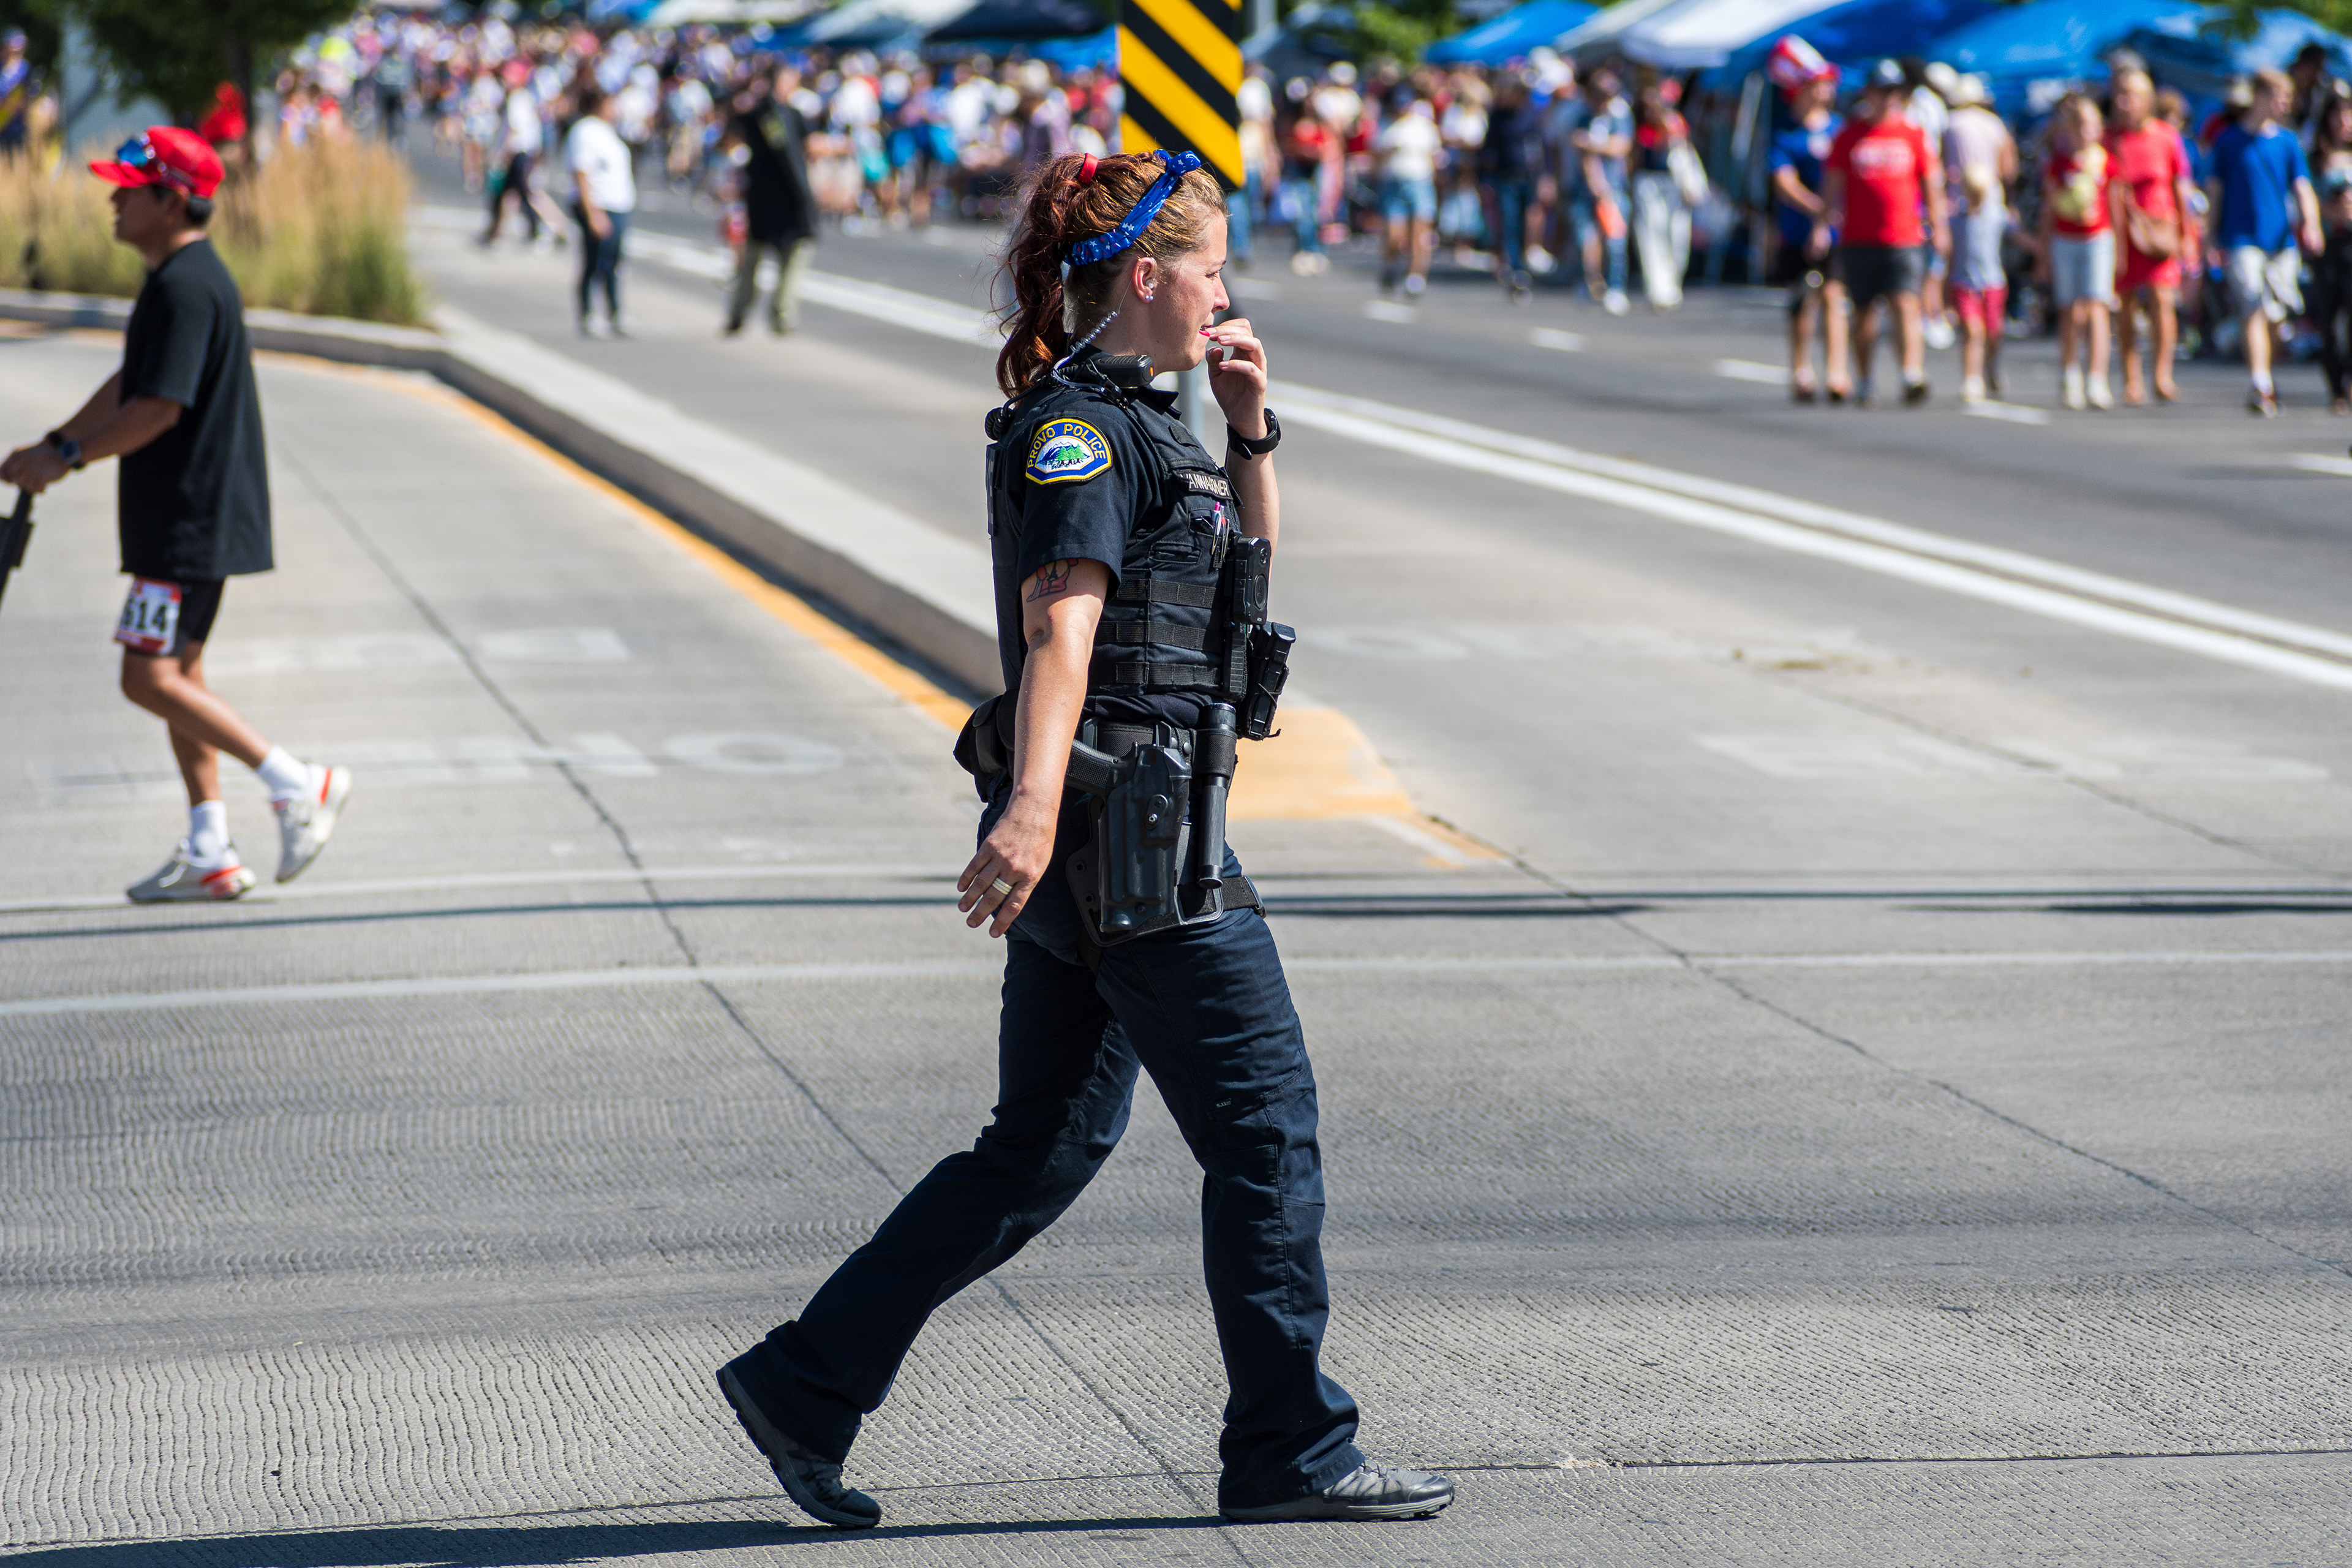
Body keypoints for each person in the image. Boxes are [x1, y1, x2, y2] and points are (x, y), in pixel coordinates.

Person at [710, 148, 1455, 1531]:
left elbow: (1242, 586)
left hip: (1123, 836)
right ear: (1148, 275)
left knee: (1036, 1146)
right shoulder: (1080, 432)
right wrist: (1031, 809)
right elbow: (1061, 625)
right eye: (1214, 268)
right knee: (1264, 1135)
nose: (1228, 293)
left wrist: (1250, 427)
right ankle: (1289, 1443)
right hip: (1137, 842)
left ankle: (806, 1382)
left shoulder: (1147, 418)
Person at [0, 128, 352, 903]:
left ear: (172, 199)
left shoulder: (188, 286)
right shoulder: (176, 281)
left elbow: (158, 409)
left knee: (147, 676)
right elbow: (135, 382)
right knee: (180, 676)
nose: (113, 200)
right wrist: (58, 441)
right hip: (183, 518)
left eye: (130, 188)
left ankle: (298, 783)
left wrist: (71, 458)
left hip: (187, 522)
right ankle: (209, 848)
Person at [1825, 58, 1947, 405]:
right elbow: (1833, 184)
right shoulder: (1850, 135)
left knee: (1906, 301)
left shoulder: (1912, 133)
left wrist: (1939, 228)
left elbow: (1930, 184)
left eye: (1895, 92)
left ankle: (1912, 372)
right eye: (1883, 91)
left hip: (1904, 235)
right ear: (1869, 93)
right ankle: (1865, 378)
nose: (1889, 98)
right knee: (1864, 309)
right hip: (1860, 236)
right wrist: (1822, 223)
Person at [2208, 68, 2322, 416]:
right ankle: (2260, 382)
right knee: (2253, 305)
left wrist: (2312, 224)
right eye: (2278, 97)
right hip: (2241, 238)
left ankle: (2267, 376)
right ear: (2258, 96)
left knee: (2276, 313)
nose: (2284, 104)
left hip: (2280, 241)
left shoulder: (2288, 143)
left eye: (2287, 98)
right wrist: (2210, 238)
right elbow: (2216, 191)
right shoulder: (2229, 141)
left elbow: (2302, 187)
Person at [2107, 68, 2195, 405]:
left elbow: (2180, 188)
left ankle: (2162, 373)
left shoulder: (2166, 137)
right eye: (2120, 95)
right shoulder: (2110, 138)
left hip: (2159, 229)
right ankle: (2132, 378)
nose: (2124, 102)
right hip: (2123, 228)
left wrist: (2188, 236)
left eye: (2131, 95)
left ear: (2148, 100)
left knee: (2162, 300)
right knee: (2126, 305)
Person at [1768, 47, 1849, 402]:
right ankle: (1801, 368)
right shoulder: (1786, 134)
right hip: (1799, 230)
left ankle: (1837, 370)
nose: (1826, 90)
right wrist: (1819, 208)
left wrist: (1834, 213)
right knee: (1802, 300)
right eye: (1819, 84)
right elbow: (1783, 183)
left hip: (1838, 231)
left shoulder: (1840, 130)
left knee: (1834, 296)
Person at [719, 64, 819, 336]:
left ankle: (741, 313)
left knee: (757, 258)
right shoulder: (774, 115)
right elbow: (801, 152)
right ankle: (778, 314)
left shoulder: (762, 113)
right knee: (788, 255)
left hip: (762, 197)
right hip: (784, 198)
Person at [2039, 94, 2116, 409]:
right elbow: (2048, 210)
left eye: (2092, 125)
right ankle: (2069, 372)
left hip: (2099, 240)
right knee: (2070, 310)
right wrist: (2043, 254)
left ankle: (2097, 377)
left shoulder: (2106, 162)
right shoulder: (2059, 165)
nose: (2087, 132)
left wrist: (2121, 250)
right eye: (2080, 126)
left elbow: (2116, 207)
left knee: (2098, 306)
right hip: (2065, 240)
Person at [1941, 72, 2014, 402]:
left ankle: (1976, 375)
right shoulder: (1994, 125)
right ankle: (1982, 372)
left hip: (1961, 200)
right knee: (1983, 322)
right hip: (1989, 202)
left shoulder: (1950, 123)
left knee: (1979, 322)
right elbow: (2008, 167)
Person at [565, 81, 635, 338]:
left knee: (615, 263)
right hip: (600, 205)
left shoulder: (608, 131)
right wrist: (593, 212)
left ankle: (615, 313)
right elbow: (582, 173)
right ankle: (587, 314)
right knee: (594, 262)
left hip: (618, 205)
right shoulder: (585, 131)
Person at [1560, 68, 1631, 315]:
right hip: (1586, 188)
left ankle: (1616, 286)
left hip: (1614, 188)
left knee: (1615, 242)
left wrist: (1592, 144)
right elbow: (1581, 152)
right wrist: (1594, 180)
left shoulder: (1619, 116)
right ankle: (1590, 281)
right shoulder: (1583, 116)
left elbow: (1620, 147)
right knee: (1585, 239)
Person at [1478, 73, 1545, 300]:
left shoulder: (1532, 117)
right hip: (1506, 178)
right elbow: (1488, 149)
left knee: (1530, 223)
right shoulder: (1498, 116)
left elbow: (1541, 148)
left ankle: (1528, 259)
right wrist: (1485, 180)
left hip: (1529, 178)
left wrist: (1544, 178)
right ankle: (1516, 268)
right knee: (1510, 224)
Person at [1629, 78, 1692, 311]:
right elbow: (1635, 157)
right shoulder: (1639, 127)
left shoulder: (1675, 123)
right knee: (1652, 233)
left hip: (1672, 183)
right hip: (1648, 182)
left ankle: (1673, 283)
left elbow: (1683, 155)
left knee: (1677, 235)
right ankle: (1657, 288)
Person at [1375, 86, 1441, 296]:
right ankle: (1390, 266)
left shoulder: (1423, 126)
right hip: (1394, 182)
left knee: (1420, 233)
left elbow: (1433, 156)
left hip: (1419, 182)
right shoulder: (1387, 125)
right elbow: (1375, 156)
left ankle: (1415, 276)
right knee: (1395, 233)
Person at [0, 28, 33, 156]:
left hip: (17, 123)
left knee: (17, 155)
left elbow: (28, 95)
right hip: (2, 123)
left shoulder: (25, 68)